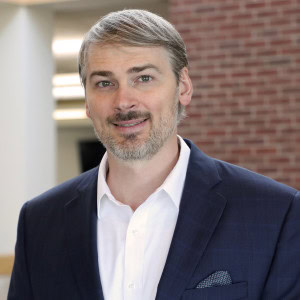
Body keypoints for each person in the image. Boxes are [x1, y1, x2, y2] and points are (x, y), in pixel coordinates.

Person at [8, 9, 300, 300]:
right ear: (87, 100)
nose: (124, 101)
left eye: (144, 78)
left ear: (183, 87)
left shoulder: (275, 214)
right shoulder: (40, 222)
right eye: (104, 83)